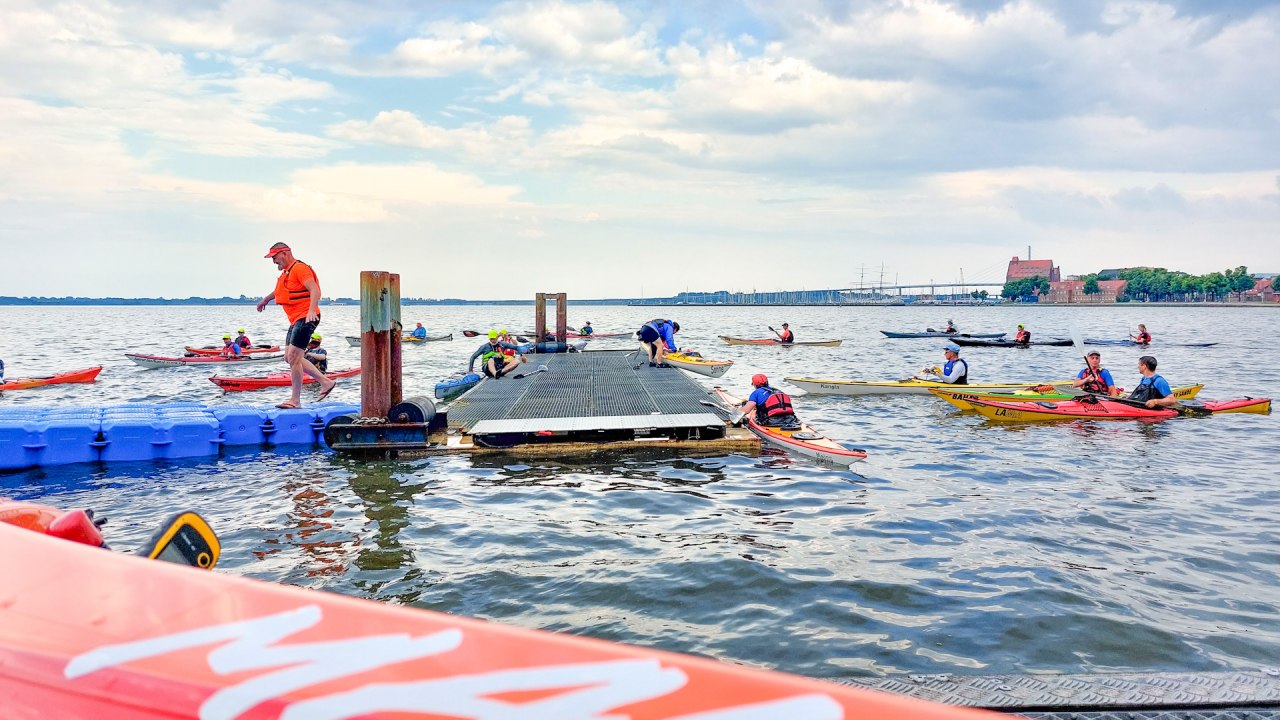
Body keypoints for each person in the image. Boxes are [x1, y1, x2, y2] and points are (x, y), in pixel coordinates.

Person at [256, 242, 335, 407]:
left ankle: (295, 401)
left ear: (285, 253)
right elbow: (278, 292)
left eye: (275, 257)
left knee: (294, 358)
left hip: (306, 316)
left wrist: (312, 309)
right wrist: (265, 300)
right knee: (289, 357)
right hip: (296, 319)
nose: (273, 261)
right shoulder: (287, 272)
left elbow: (314, 290)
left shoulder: (300, 268)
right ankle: (325, 382)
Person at [734, 374, 800, 428]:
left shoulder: (756, 393)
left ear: (754, 384)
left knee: (755, 415)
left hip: (772, 422)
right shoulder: (778, 391)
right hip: (791, 420)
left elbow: (746, 411)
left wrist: (735, 412)